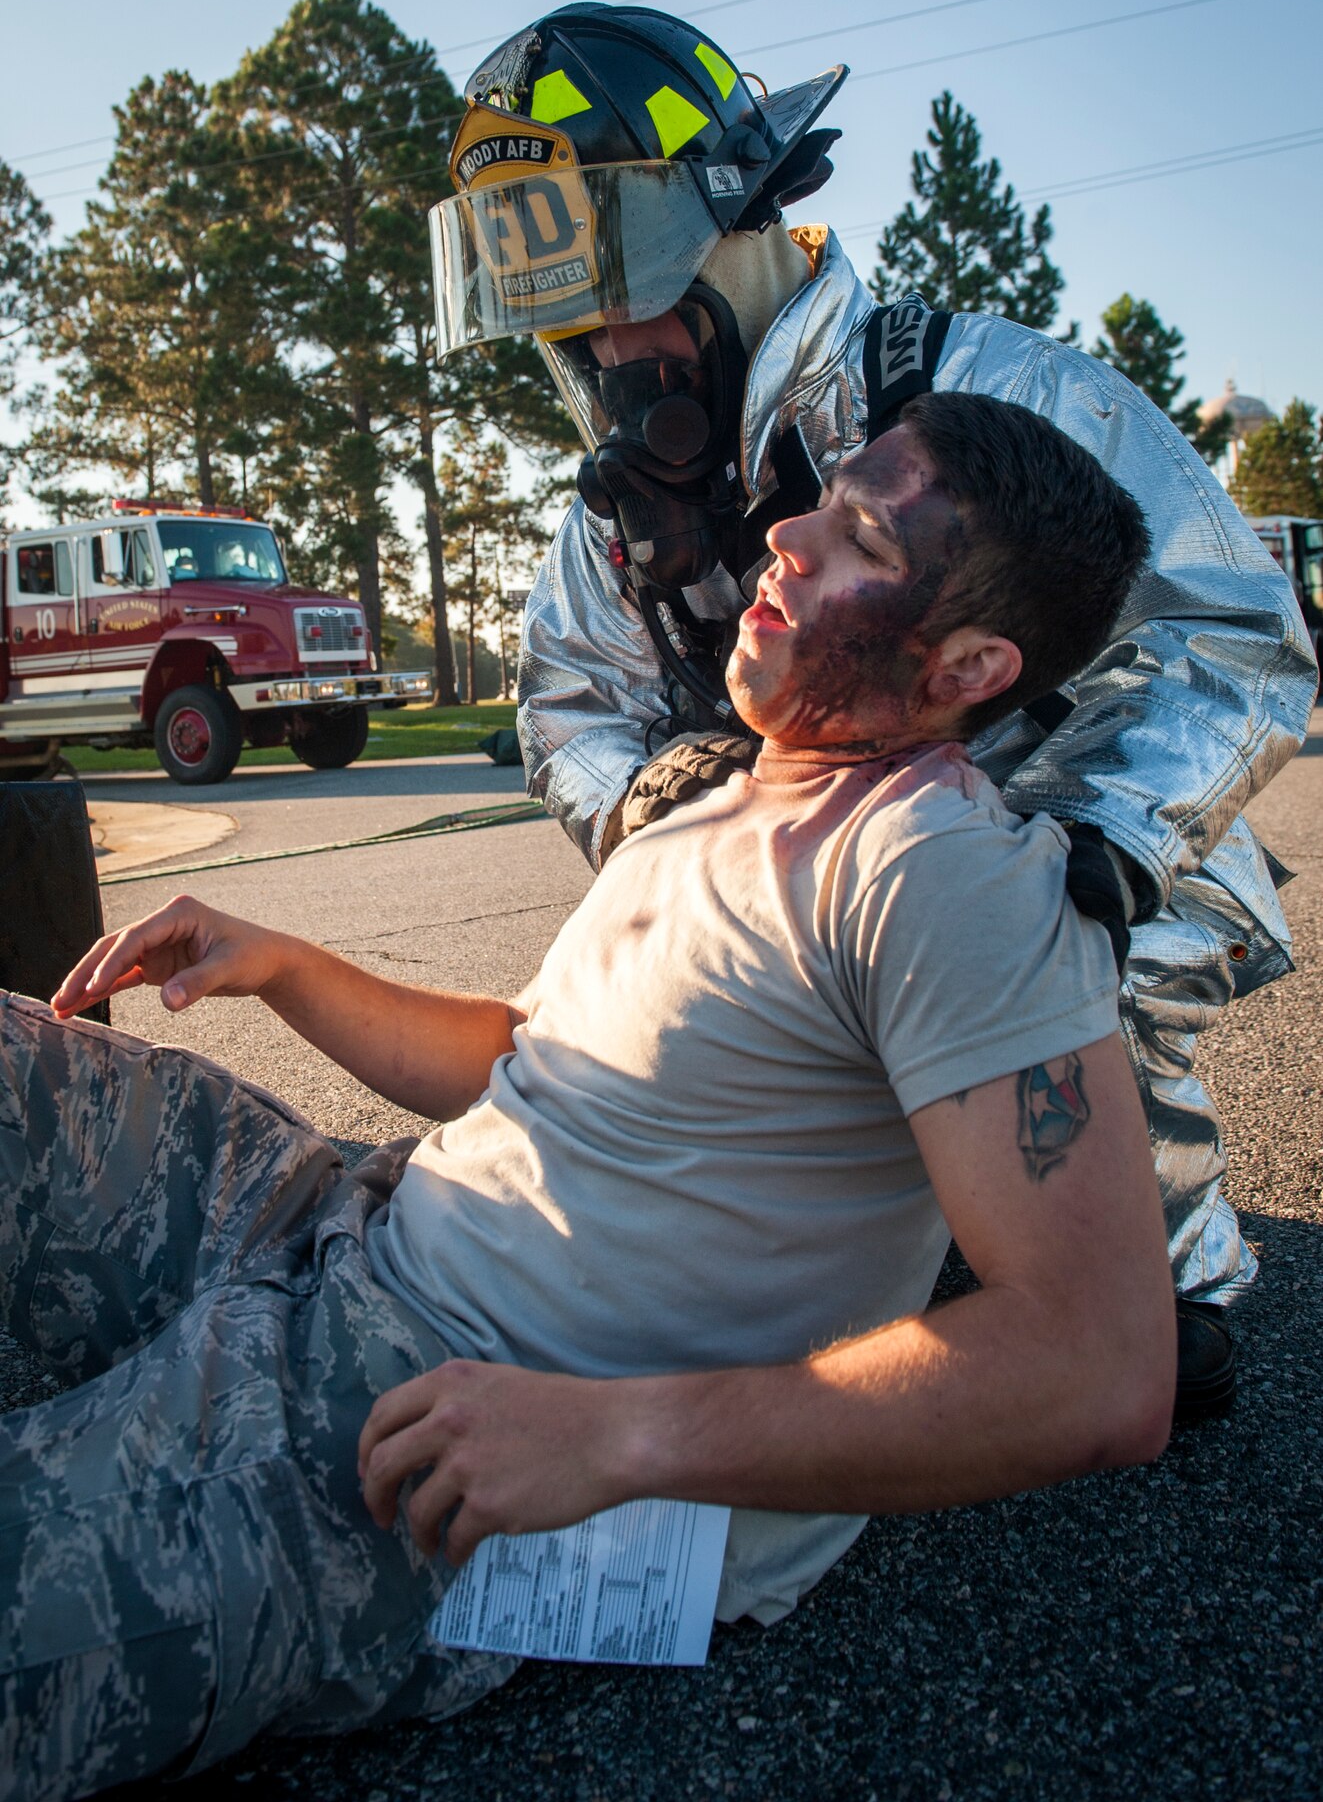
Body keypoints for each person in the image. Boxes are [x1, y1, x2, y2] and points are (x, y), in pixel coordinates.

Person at [3, 396, 1171, 1797]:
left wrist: (619, 1436)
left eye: (861, 539)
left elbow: (1101, 1365)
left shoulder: (939, 869)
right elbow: (529, 1056)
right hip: (337, 1222)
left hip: (442, 1425)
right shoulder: (723, 799)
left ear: (969, 663)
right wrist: (290, 968)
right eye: (821, 502)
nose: (787, 538)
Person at [428, 0, 1318, 1412]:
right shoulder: (615, 512)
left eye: (626, 293)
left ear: (736, 226)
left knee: (1041, 955)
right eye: (571, 318)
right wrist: (651, 806)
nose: (606, 350)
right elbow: (564, 704)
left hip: (1058, 851)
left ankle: (1158, 1270)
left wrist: (1088, 847)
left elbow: (1231, 626)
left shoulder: (982, 397)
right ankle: (901, 1220)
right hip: (805, 893)